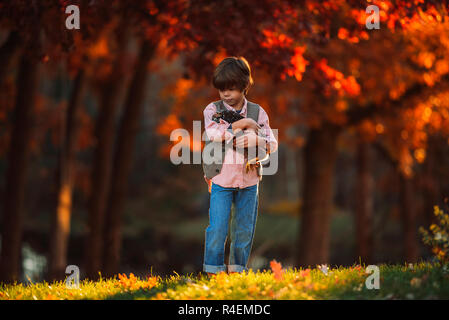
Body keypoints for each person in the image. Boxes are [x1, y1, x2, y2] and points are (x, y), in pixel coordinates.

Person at [202, 56, 278, 275]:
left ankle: (237, 271)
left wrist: (258, 140)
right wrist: (241, 125)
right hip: (221, 180)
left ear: (244, 86)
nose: (226, 94)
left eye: (232, 89)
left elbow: (271, 143)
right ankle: (213, 271)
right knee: (217, 228)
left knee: (243, 230)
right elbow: (212, 133)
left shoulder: (258, 113)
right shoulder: (212, 110)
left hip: (249, 181)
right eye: (222, 89)